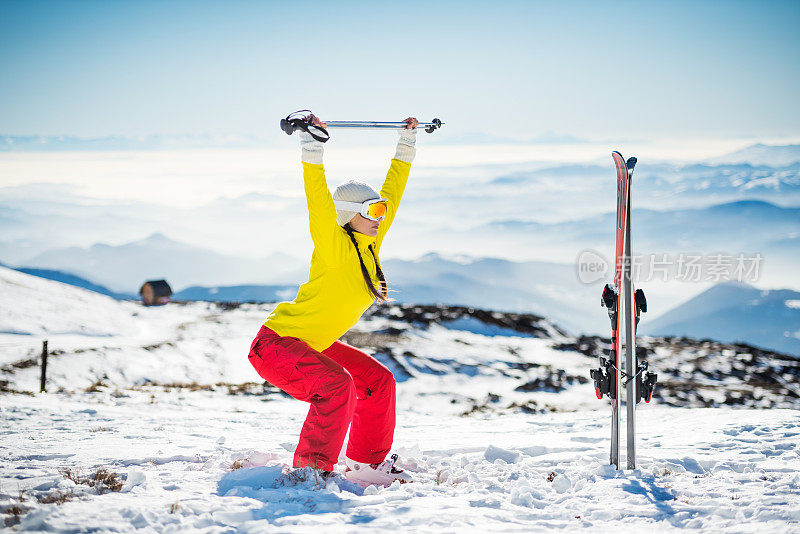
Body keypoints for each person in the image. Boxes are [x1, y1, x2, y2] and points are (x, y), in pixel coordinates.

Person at [247, 113, 418, 486]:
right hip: (276, 345)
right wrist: (311, 145)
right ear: (349, 215)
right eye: (372, 210)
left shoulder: (369, 241)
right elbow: (317, 198)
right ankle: (311, 470)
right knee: (337, 385)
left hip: (313, 343)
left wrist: (407, 143)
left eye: (380, 210)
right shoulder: (333, 244)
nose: (380, 215)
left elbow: (394, 192)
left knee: (377, 382)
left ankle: (367, 465)